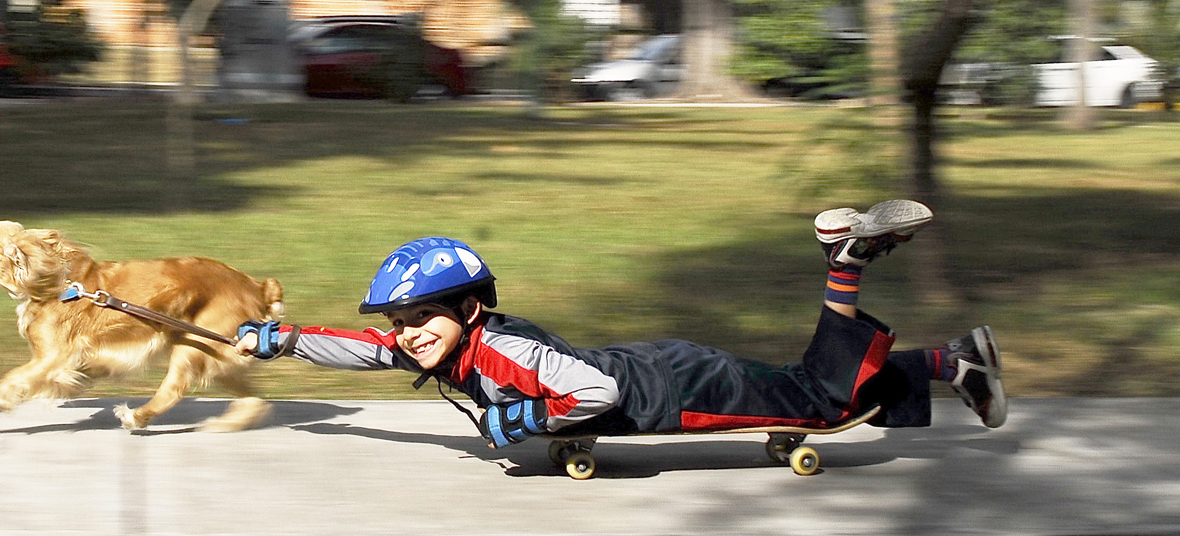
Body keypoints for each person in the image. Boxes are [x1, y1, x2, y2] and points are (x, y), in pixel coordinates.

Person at [235, 200, 1007, 449]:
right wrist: (282, 340)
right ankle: (954, 362)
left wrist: (526, 418)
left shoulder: (495, 349)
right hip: (660, 364)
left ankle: (848, 261)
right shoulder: (453, 344)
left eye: (420, 320)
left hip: (672, 390)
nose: (406, 336)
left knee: (821, 403)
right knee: (808, 387)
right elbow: (363, 348)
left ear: (468, 310)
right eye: (401, 323)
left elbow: (594, 392)